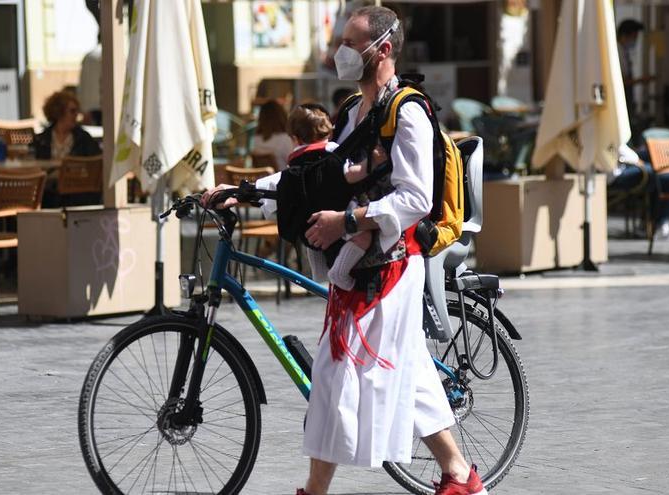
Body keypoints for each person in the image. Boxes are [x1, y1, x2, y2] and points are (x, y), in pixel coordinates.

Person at [205, 7, 484, 495]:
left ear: (384, 49)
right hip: (364, 264)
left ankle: (315, 492)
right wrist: (244, 189)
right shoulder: (355, 111)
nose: (342, 52)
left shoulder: (408, 111)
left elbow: (416, 197)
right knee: (411, 376)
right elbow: (314, 177)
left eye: (352, 43)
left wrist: (348, 220)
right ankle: (462, 477)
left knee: (335, 377)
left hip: (389, 267)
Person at [284, 103, 372, 290]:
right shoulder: (333, 152)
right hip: (337, 212)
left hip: (308, 220)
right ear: (329, 132)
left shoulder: (296, 159)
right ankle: (339, 272)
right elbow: (350, 174)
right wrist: (371, 164)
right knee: (365, 236)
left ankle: (318, 271)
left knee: (312, 238)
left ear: (295, 139)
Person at [33, 91, 100, 160]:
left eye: (77, 111)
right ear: (59, 112)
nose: (76, 114)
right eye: (72, 111)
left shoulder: (84, 139)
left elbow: (96, 161)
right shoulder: (41, 140)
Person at [617, 19, 653, 118]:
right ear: (624, 35)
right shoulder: (617, 53)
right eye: (634, 37)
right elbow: (620, 82)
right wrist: (640, 80)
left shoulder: (624, 52)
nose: (634, 41)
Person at [251, 99, 295, 170]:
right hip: (282, 179)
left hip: (262, 180)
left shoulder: (256, 139)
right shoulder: (285, 139)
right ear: (281, 116)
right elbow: (293, 163)